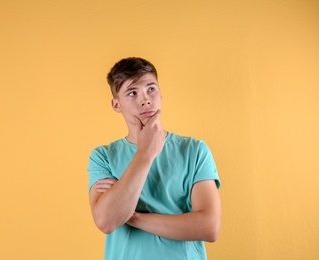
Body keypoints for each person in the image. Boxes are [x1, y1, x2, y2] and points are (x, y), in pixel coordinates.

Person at [88, 57, 221, 260]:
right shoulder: (103, 156)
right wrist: (145, 153)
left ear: (161, 94)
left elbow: (209, 227)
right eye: (132, 93)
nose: (145, 99)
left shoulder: (194, 150)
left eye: (151, 89)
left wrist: (131, 216)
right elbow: (106, 221)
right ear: (117, 105)